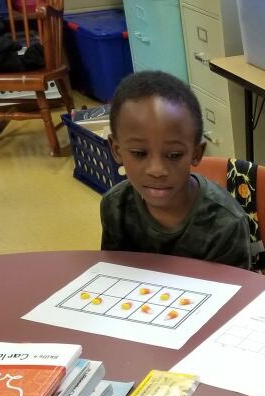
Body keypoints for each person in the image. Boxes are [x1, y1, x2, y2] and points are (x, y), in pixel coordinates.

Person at [100, 71, 252, 267]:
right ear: (116, 150)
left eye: (173, 155)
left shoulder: (225, 223)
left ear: (196, 153)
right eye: (139, 153)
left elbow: (234, 294)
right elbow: (113, 275)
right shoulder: (114, 206)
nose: (157, 170)